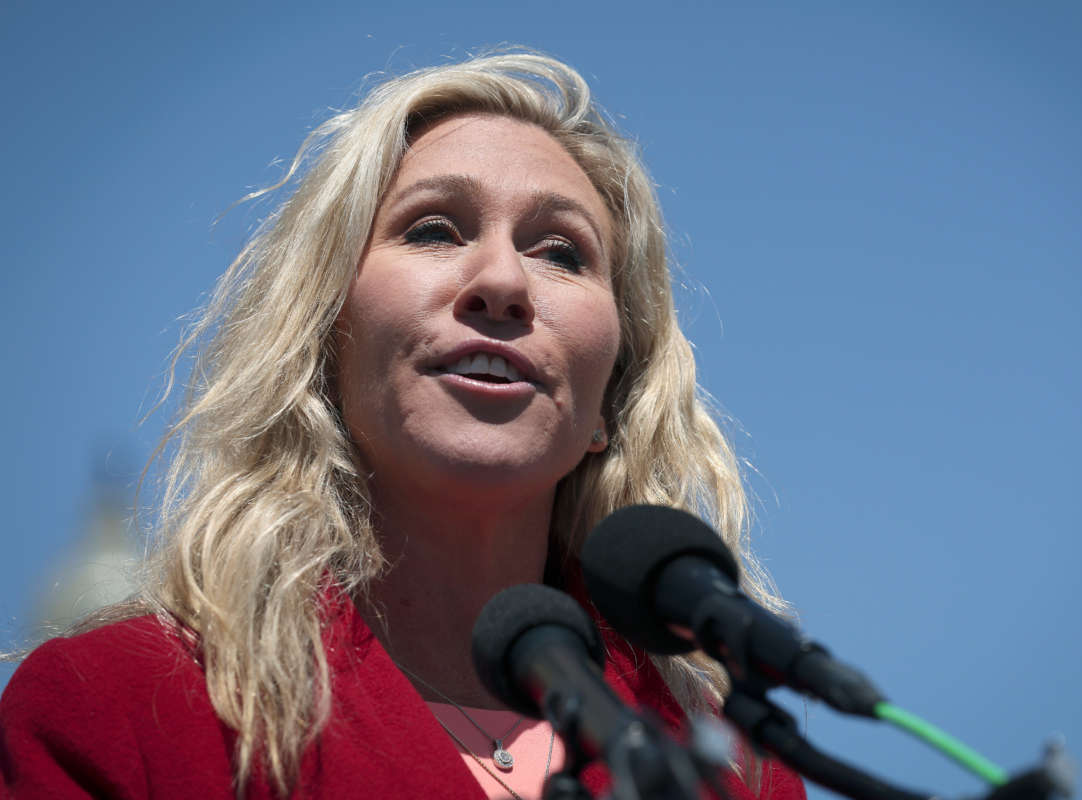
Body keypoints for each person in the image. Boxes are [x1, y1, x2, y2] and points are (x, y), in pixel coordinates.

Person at [0, 52, 806, 799]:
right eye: (433, 229)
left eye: (561, 251)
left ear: (612, 400)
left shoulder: (735, 761)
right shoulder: (115, 707)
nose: (501, 282)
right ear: (322, 343)